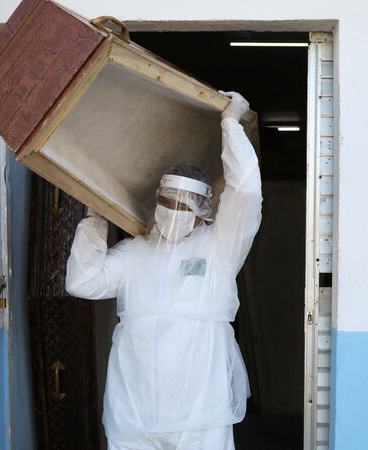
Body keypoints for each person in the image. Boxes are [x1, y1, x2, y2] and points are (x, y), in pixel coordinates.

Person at [65, 91, 262, 450]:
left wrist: (231, 126)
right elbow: (83, 282)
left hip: (201, 418)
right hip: (134, 416)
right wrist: (94, 220)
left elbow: (245, 192)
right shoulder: (132, 255)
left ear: (202, 210)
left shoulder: (219, 248)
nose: (172, 212)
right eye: (166, 202)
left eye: (183, 205)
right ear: (155, 201)